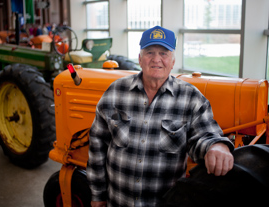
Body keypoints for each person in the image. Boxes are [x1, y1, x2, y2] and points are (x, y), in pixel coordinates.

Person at [87, 26, 234, 207]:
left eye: (164, 53)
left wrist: (216, 146)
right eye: (150, 52)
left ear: (172, 61)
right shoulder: (115, 92)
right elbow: (97, 146)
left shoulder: (191, 98)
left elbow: (205, 135)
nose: (156, 59)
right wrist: (97, 195)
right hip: (118, 201)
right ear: (140, 59)